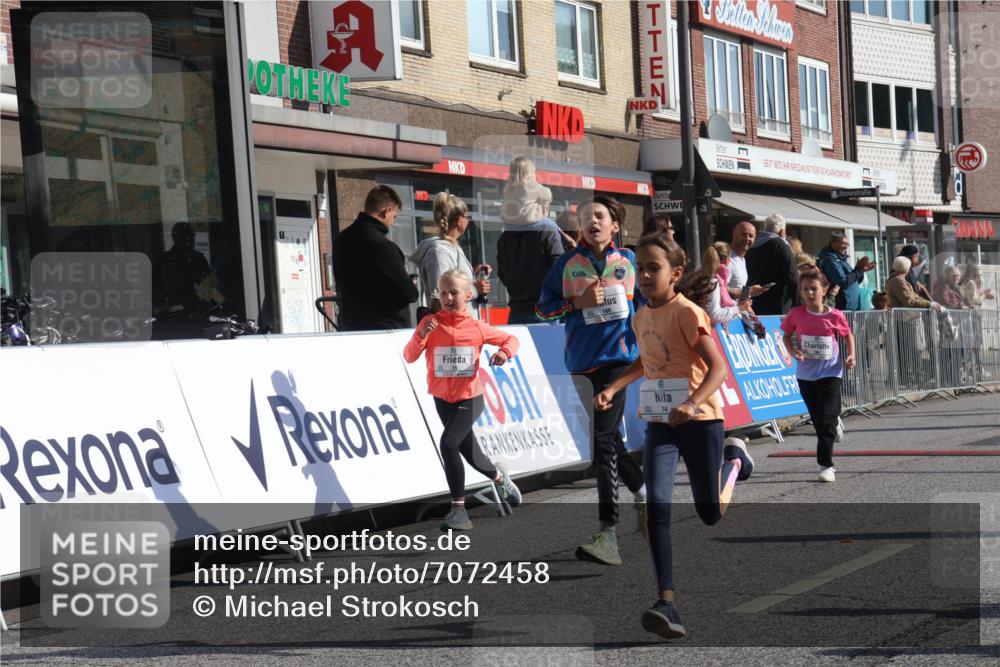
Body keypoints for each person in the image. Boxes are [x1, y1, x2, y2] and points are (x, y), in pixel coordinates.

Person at [593, 232, 753, 640]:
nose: (644, 276)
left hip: (700, 421)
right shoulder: (640, 315)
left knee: (709, 513)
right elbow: (647, 363)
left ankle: (734, 462)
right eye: (639, 268)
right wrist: (614, 388)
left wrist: (694, 402)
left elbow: (718, 369)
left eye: (653, 268)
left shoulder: (686, 313)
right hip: (662, 423)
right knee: (656, 507)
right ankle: (667, 601)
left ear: (676, 273)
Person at [536, 195, 646, 566]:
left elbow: (649, 303)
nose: (591, 222)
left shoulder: (629, 262)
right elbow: (542, 306)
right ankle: (642, 489)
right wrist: (575, 304)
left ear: (614, 225)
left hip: (618, 361)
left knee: (600, 442)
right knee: (610, 438)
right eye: (585, 218)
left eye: (598, 216)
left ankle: (608, 533)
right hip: (581, 363)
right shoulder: (567, 264)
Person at [403, 270, 522, 531]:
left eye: (454, 292)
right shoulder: (432, 324)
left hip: (471, 398)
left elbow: (512, 339)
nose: (447, 297)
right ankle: (499, 477)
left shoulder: (476, 326)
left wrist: (504, 353)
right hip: (442, 399)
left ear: (468, 295)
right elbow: (409, 356)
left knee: (448, 443)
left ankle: (459, 511)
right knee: (471, 454)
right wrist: (421, 333)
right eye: (443, 292)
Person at [781, 267, 856, 483]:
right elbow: (786, 336)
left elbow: (848, 335)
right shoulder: (796, 314)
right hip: (806, 375)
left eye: (814, 289)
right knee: (818, 419)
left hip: (831, 371)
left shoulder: (835, 315)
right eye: (805, 289)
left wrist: (851, 356)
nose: (810, 293)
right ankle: (834, 422)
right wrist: (793, 350)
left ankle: (826, 465)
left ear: (824, 290)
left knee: (825, 422)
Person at [332, 185, 418, 330]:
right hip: (386, 328)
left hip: (352, 325)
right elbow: (409, 293)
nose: (393, 221)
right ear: (387, 211)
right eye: (394, 216)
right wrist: (411, 284)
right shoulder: (383, 246)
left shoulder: (342, 239)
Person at [410, 192, 491, 317]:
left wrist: (474, 275)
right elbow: (439, 296)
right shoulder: (439, 252)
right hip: (452, 330)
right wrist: (475, 289)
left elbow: (452, 283)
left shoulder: (452, 248)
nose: (468, 222)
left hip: (462, 326)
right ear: (459, 220)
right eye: (467, 218)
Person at [886, 256, 943, 388]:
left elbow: (914, 297)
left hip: (906, 319)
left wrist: (929, 303)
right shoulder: (898, 281)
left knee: (911, 350)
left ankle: (910, 378)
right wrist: (930, 304)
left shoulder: (899, 280)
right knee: (910, 351)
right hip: (905, 319)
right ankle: (908, 379)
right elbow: (909, 301)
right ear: (906, 268)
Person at [746, 214, 797, 315]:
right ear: (782, 231)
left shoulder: (751, 245)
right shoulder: (781, 245)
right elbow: (792, 276)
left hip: (753, 304)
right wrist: (798, 304)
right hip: (777, 306)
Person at [816, 232, 877, 311]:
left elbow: (854, 281)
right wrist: (858, 270)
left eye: (847, 244)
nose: (846, 246)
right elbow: (844, 282)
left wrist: (861, 270)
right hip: (843, 308)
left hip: (851, 308)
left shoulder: (840, 260)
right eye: (843, 243)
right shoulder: (831, 261)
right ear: (833, 243)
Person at [500, 157, 557, 231]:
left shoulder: (508, 188)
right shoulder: (532, 186)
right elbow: (548, 195)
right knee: (552, 225)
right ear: (530, 172)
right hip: (528, 224)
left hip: (509, 225)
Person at [726, 221, 767, 302]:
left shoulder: (742, 260)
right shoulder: (727, 259)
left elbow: (739, 290)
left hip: (737, 312)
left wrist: (746, 304)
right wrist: (750, 291)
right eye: (744, 235)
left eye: (751, 236)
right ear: (733, 234)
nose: (747, 238)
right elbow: (720, 290)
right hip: (725, 313)